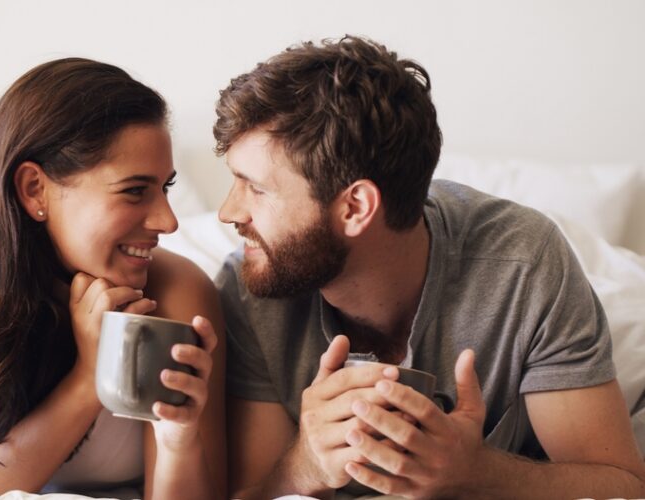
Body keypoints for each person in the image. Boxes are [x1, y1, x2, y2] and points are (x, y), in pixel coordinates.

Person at [213, 36, 645, 499]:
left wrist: (475, 471)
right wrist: (306, 464)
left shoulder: (522, 266)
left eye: (255, 188)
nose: (228, 212)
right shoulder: (252, 288)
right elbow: (247, 493)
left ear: (356, 206)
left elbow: (621, 485)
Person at [0, 58, 226, 499]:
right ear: (35, 190)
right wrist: (89, 379)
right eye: (134, 191)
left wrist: (177, 440)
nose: (168, 222)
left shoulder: (177, 292)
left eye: (165, 188)